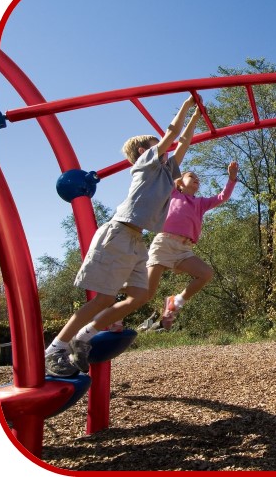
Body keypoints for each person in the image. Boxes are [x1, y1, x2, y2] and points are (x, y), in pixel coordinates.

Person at [44, 95, 201, 377]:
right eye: (157, 145)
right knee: (103, 298)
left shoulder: (166, 174)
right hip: (117, 233)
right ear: (144, 151)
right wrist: (187, 105)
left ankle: (84, 337)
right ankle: (56, 348)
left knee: (140, 296)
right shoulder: (144, 166)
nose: (165, 149)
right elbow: (172, 134)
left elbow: (184, 142)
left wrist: (197, 116)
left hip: (136, 241)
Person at [144, 161, 239, 330]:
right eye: (191, 176)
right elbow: (169, 172)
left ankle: (174, 303)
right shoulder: (173, 194)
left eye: (198, 178)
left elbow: (222, 197)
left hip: (184, 249)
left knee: (206, 274)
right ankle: (112, 297)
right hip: (164, 243)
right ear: (180, 182)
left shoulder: (201, 203)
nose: (196, 179)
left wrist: (231, 179)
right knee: (147, 292)